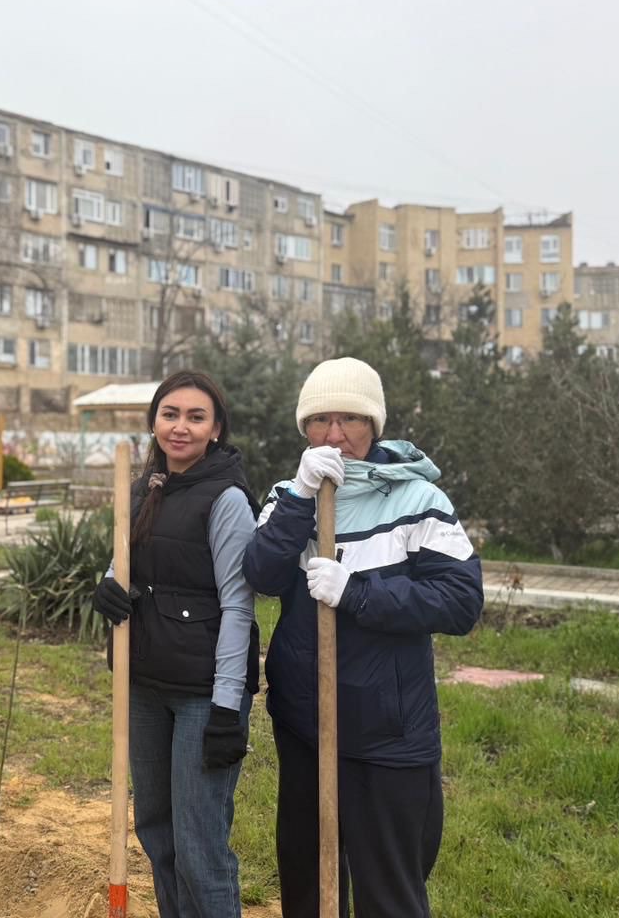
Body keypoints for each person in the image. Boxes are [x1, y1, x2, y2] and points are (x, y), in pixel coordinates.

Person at [242, 357, 483, 918]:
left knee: (389, 892)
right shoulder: (288, 496)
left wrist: (358, 593)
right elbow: (261, 574)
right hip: (305, 725)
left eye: (349, 419)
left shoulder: (418, 500)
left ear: (373, 425)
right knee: (308, 883)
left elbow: (460, 602)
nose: (334, 435)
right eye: (319, 420)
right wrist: (300, 498)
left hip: (387, 731)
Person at [91, 370, 260, 918]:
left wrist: (227, 707)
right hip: (142, 686)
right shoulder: (145, 488)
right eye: (170, 414)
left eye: (195, 417)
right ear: (154, 423)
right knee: (156, 831)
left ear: (216, 429)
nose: (180, 427)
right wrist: (108, 587)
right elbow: (123, 563)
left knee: (198, 846)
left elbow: (238, 605)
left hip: (202, 695)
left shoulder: (227, 499)